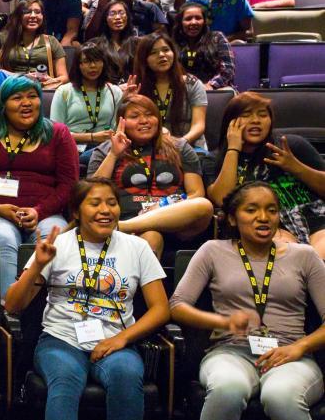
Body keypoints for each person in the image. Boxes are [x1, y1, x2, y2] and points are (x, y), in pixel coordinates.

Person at [5, 178, 169, 420]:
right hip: (60, 339)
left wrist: (123, 339)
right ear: (77, 210)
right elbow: (14, 304)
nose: (105, 209)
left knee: (127, 375)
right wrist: (38, 265)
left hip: (115, 341)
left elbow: (160, 310)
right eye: (95, 203)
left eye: (111, 202)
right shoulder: (58, 244)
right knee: (64, 381)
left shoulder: (135, 248)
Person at [170, 181, 325, 420]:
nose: (263, 217)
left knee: (281, 397)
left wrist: (299, 348)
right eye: (251, 209)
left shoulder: (304, 256)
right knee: (227, 388)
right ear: (233, 218)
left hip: (290, 355)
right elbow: (178, 305)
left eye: (271, 209)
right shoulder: (213, 251)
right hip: (230, 351)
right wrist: (223, 322)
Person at [0, 75, 78, 293]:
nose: (26, 103)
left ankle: (48, 310)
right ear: (3, 105)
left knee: (53, 239)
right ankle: (8, 310)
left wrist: (39, 210)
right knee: (4, 238)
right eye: (17, 98)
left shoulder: (58, 133)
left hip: (45, 213)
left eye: (32, 96)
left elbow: (69, 184)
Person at [88, 95, 214, 255]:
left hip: (175, 221)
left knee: (204, 206)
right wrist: (114, 154)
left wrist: (161, 207)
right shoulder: (105, 150)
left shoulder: (180, 147)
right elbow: (92, 193)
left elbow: (196, 193)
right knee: (151, 237)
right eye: (135, 116)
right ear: (122, 122)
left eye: (149, 114)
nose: (144, 121)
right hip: (128, 215)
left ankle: (120, 227)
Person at [208, 92, 325, 258]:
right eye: (246, 115)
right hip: (270, 227)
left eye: (262, 115)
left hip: (316, 221)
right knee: (288, 256)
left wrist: (295, 167)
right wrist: (233, 149)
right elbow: (221, 199)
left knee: (319, 261)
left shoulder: (291, 146)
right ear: (231, 122)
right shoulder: (215, 158)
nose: (256, 120)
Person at [131, 33, 208, 152]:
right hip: (150, 147)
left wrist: (179, 143)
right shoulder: (138, 87)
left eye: (166, 50)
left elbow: (199, 126)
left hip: (190, 145)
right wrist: (128, 99)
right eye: (153, 52)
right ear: (144, 59)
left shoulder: (192, 84)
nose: (162, 55)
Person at [49, 40, 123, 164]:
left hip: (105, 147)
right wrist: (92, 137)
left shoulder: (114, 92)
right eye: (87, 62)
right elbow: (55, 132)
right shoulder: (64, 91)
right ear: (78, 65)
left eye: (97, 61)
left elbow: (117, 130)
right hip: (71, 146)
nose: (93, 66)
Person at [0, 0, 67, 87]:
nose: (33, 16)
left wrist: (52, 81)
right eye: (27, 12)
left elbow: (64, 77)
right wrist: (23, 77)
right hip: (12, 88)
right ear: (19, 16)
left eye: (38, 12)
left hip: (42, 89)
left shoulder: (51, 41)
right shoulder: (4, 39)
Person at [171, 2, 236, 89]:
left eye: (198, 18)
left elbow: (228, 69)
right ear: (181, 22)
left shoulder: (217, 37)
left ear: (204, 21)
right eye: (188, 19)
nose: (193, 22)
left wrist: (211, 85)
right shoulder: (173, 42)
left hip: (215, 89)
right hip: (183, 90)